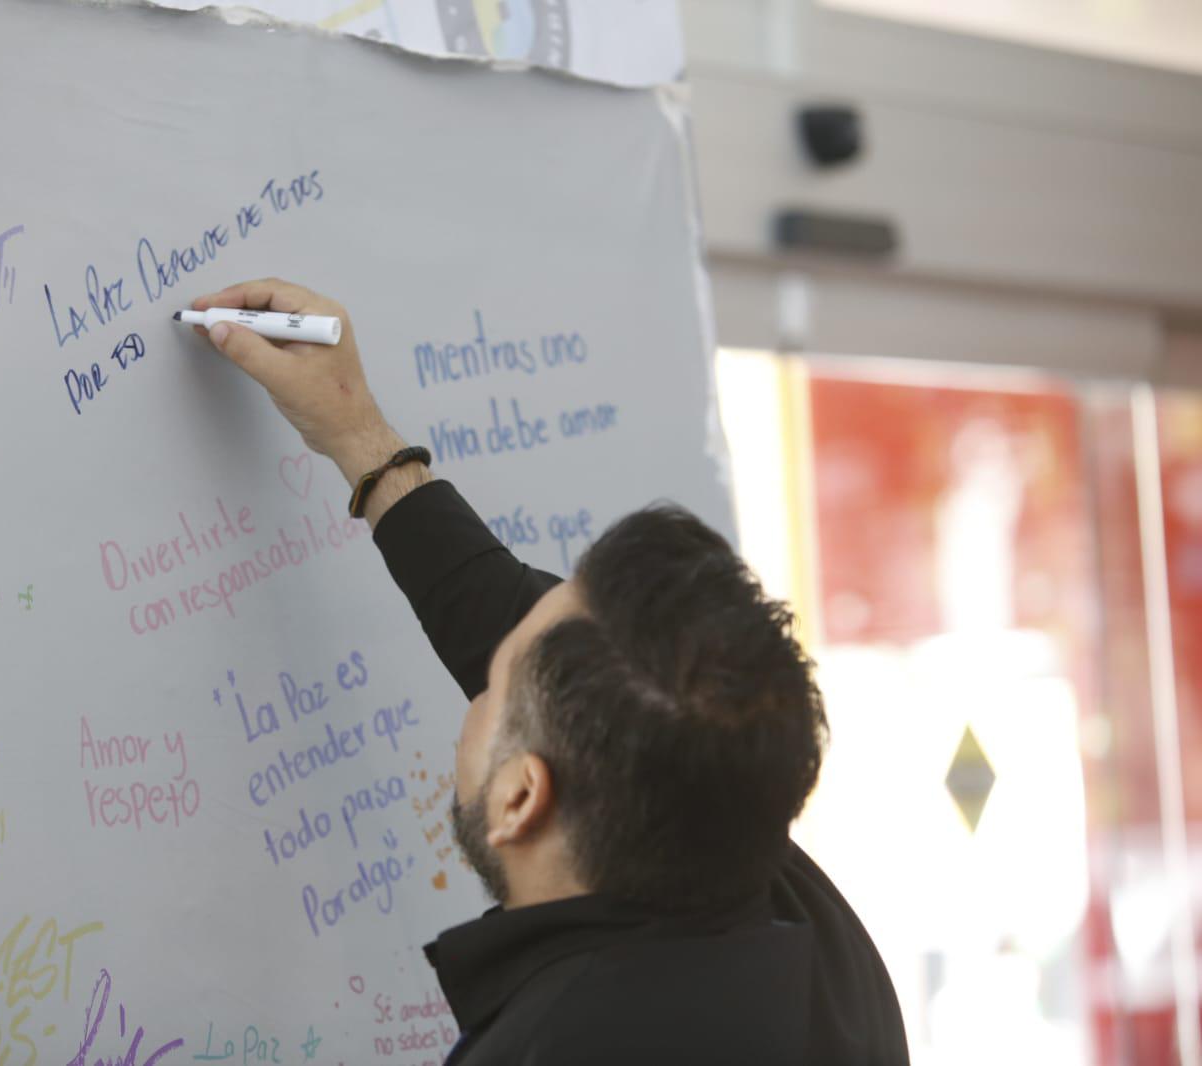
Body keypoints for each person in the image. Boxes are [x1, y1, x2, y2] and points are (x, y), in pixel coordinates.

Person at [188, 279, 909, 1065]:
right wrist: (363, 439)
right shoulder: (806, 944)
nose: (481, 671)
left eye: (494, 684)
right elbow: (510, 616)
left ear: (521, 794)